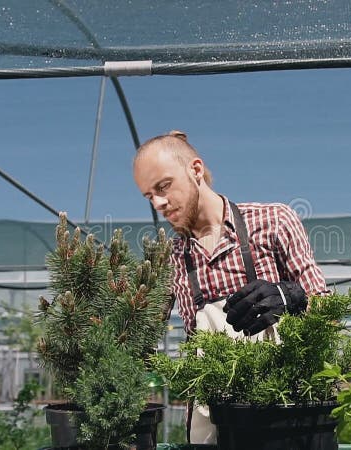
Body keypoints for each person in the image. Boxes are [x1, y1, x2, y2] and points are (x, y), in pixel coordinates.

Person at [132, 130, 328, 443]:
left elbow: (327, 311)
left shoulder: (273, 221)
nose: (158, 202)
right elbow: (138, 340)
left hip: (286, 414)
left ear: (195, 170)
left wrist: (288, 297)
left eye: (163, 186)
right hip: (217, 423)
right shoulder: (168, 259)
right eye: (148, 196)